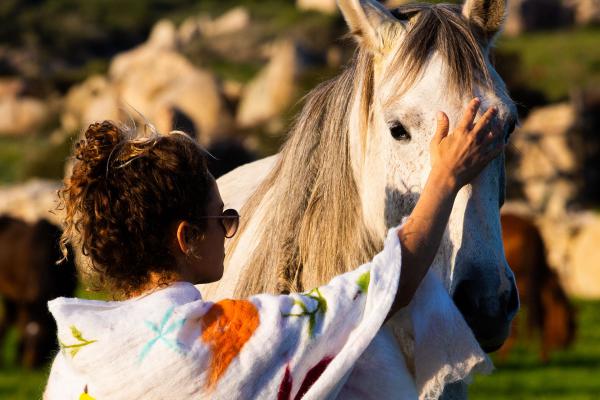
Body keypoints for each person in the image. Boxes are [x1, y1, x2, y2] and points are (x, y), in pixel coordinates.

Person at [44, 98, 502, 399]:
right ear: (186, 239)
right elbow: (382, 288)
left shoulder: (75, 360)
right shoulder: (230, 339)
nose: (230, 229)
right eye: (223, 219)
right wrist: (443, 180)